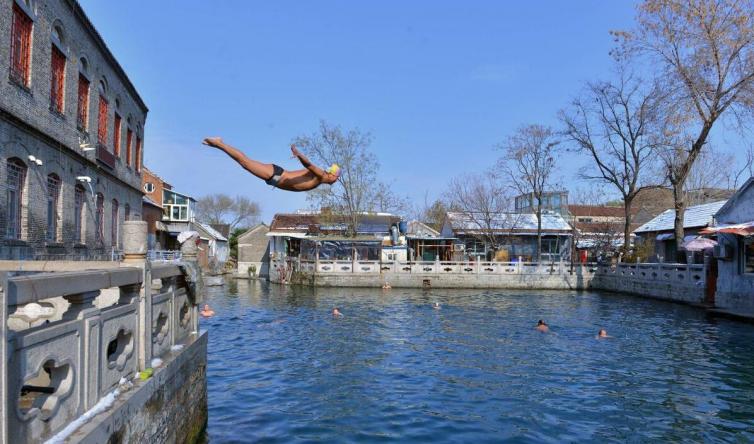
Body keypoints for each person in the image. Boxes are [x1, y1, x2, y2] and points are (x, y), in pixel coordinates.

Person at [202, 137, 340, 191]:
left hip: (275, 177)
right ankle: (219, 143)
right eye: (337, 177)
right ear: (331, 175)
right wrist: (299, 155)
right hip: (276, 175)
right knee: (245, 162)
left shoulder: (319, 179)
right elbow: (308, 165)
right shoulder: (321, 175)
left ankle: (218, 145)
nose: (337, 180)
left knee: (245, 163)